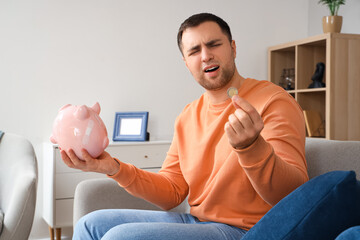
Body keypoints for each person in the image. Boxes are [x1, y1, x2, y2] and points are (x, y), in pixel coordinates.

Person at [62, 13, 309, 240]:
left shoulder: (273, 101)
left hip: (248, 230)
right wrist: (114, 168)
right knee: (89, 224)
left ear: (233, 48)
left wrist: (252, 147)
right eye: (194, 51)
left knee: (120, 238)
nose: (205, 56)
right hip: (197, 221)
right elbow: (172, 192)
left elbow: (295, 196)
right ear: (186, 62)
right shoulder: (188, 114)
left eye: (214, 44)